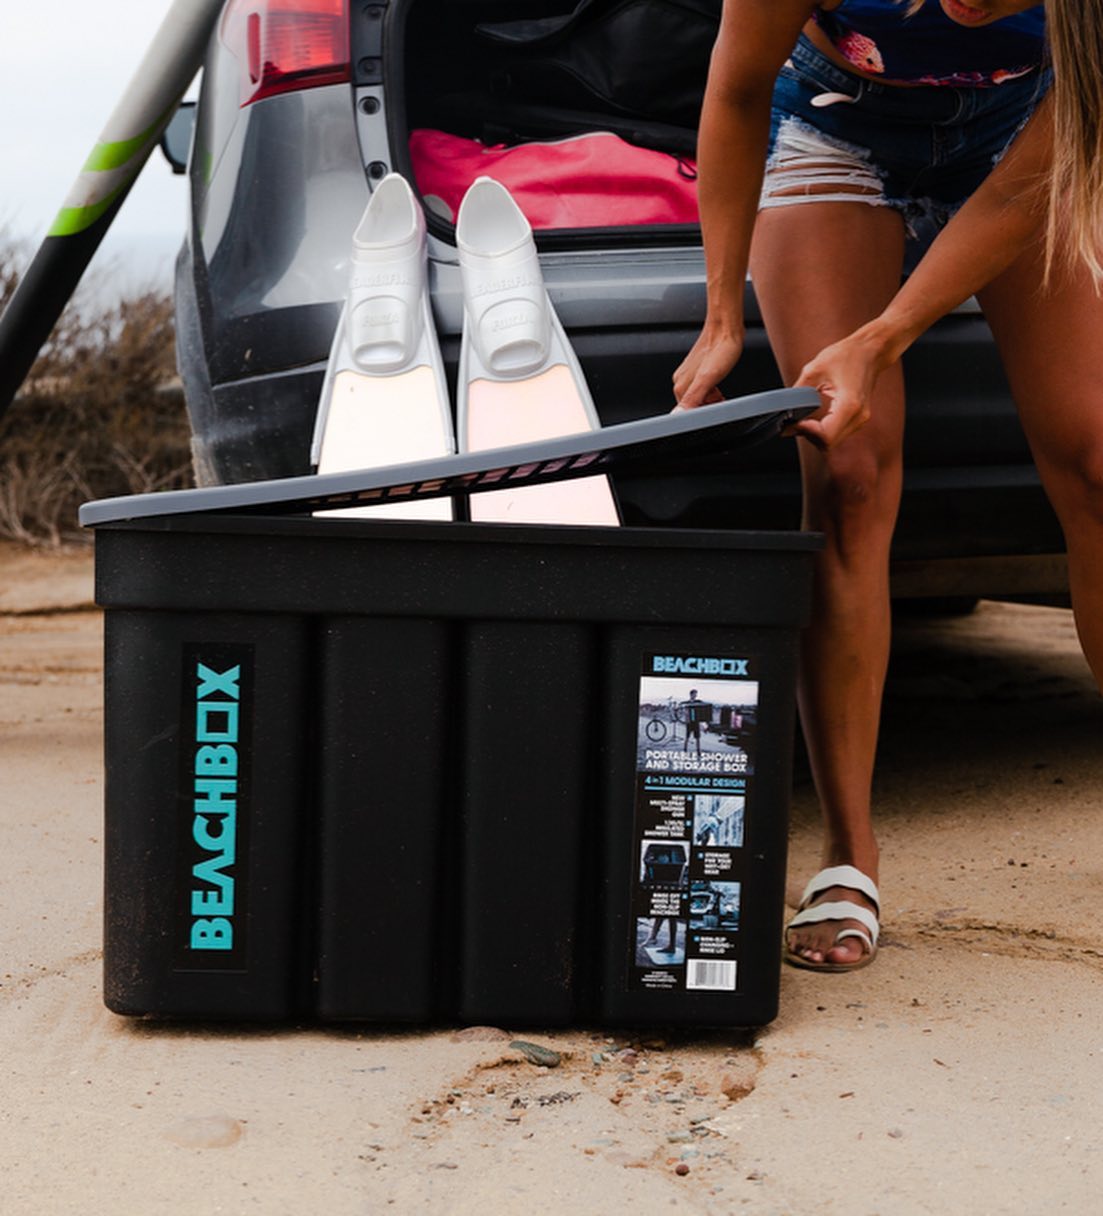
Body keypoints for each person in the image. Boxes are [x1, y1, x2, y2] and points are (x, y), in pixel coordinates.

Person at [675, 0, 1103, 971]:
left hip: (1021, 135)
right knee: (847, 471)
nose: (969, 6)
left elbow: (1018, 191)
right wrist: (720, 313)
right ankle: (846, 855)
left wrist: (881, 338)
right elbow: (735, 91)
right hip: (835, 126)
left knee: (1094, 461)